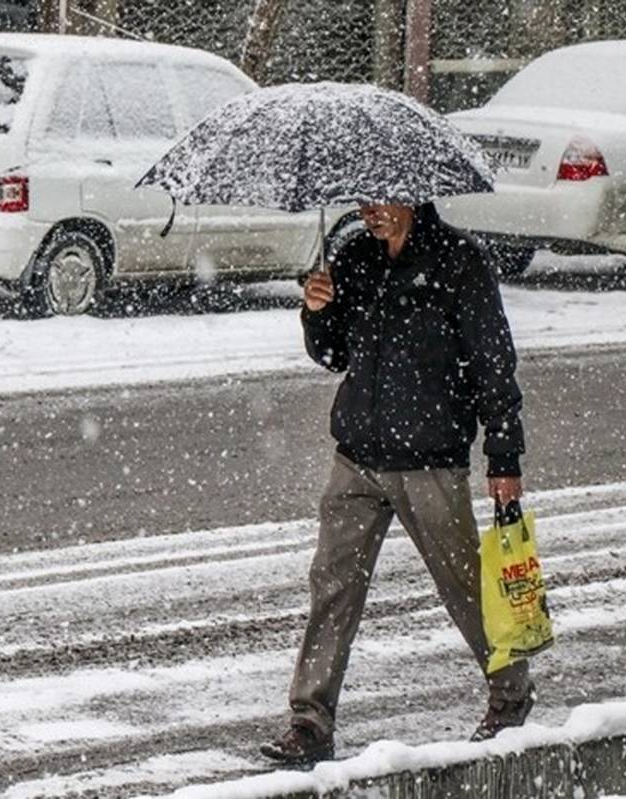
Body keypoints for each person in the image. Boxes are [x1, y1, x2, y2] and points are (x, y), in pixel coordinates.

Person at [261, 202, 534, 766]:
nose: (371, 215)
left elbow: (492, 363)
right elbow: (335, 354)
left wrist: (504, 457)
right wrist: (316, 312)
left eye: (382, 203)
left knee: (463, 583)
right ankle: (310, 721)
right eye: (363, 204)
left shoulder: (458, 261)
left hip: (430, 458)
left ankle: (510, 696)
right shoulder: (358, 257)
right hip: (357, 455)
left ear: (412, 196)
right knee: (332, 586)